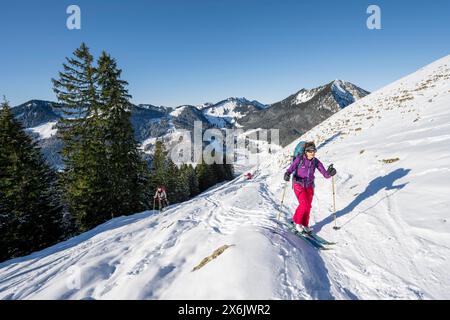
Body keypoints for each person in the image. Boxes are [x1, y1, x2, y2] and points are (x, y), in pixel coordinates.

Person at [284, 142, 336, 233]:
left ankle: (304, 224)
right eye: (310, 151)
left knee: (308, 206)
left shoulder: (316, 161)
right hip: (298, 184)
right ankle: (297, 223)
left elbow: (325, 174)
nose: (312, 153)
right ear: (305, 151)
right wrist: (287, 174)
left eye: (314, 151)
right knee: (304, 204)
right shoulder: (299, 159)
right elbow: (291, 168)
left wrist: (330, 173)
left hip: (309, 185)